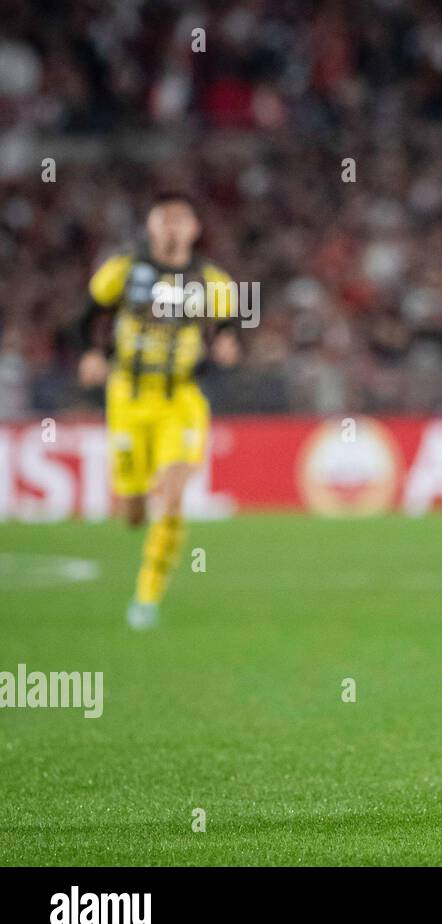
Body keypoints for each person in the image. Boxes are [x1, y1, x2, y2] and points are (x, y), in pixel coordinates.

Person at [75, 191, 241, 629]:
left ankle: (146, 597)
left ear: (194, 228)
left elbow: (234, 318)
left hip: (180, 399)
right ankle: (138, 501)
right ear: (150, 225)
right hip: (128, 397)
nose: (171, 227)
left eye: (180, 219)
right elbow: (87, 315)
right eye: (163, 218)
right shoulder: (124, 269)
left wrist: (227, 340)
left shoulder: (210, 279)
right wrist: (92, 352)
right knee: (131, 512)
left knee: (170, 497)